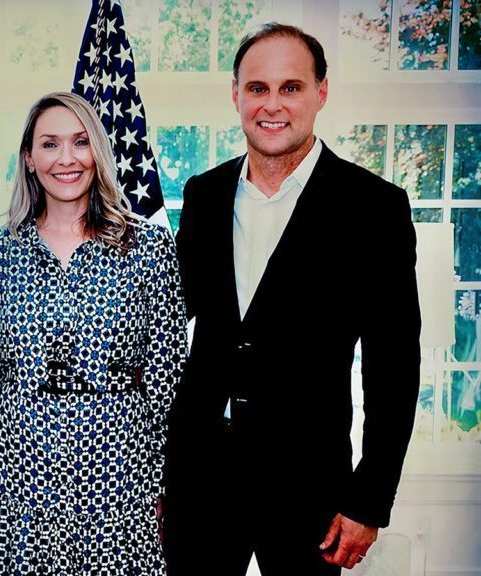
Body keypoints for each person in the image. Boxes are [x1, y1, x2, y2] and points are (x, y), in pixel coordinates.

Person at [164, 23, 421, 575]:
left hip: (312, 493)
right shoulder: (203, 195)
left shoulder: (374, 208)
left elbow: (394, 367)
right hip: (198, 483)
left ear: (321, 92)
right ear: (236, 94)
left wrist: (370, 499)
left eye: (291, 87)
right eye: (257, 88)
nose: (272, 105)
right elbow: (163, 328)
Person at [0, 91, 186, 575]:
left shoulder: (148, 248)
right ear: (29, 158)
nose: (67, 159)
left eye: (80, 142)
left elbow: (167, 377)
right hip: (21, 486)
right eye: (50, 144)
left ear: (98, 152)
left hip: (123, 485)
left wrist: (168, 483)